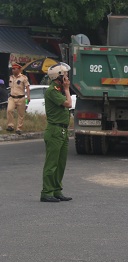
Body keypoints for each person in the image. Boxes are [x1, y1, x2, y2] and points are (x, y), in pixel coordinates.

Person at [41, 63, 73, 203]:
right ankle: (46, 192)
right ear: (58, 76)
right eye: (64, 74)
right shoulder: (52, 91)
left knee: (61, 164)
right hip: (54, 130)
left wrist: (64, 89)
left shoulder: (58, 90)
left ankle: (57, 190)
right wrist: (67, 89)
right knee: (51, 164)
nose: (66, 77)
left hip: (63, 131)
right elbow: (69, 104)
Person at [6, 63, 30, 134]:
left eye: (14, 69)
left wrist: (28, 96)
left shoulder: (24, 78)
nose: (13, 70)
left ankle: (19, 128)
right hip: (12, 97)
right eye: (12, 69)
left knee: (21, 114)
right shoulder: (11, 77)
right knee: (9, 110)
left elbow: (27, 87)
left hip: (21, 98)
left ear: (19, 69)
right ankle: (10, 126)